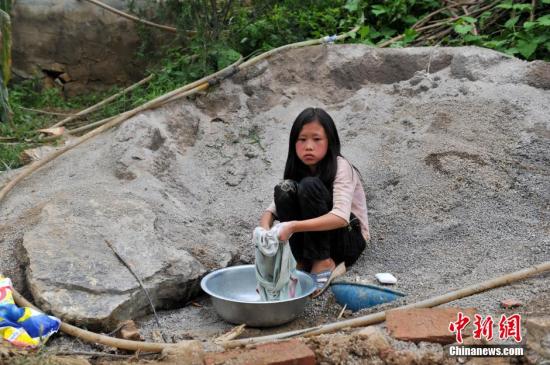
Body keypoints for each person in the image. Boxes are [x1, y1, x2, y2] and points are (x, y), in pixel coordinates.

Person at [259, 107, 370, 296]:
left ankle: (322, 261)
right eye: (302, 140)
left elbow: (341, 217)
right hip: (316, 238)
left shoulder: (340, 167)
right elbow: (273, 210)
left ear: (329, 142)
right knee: (284, 189)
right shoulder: (299, 169)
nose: (308, 146)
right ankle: (300, 260)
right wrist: (263, 230)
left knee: (309, 186)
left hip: (348, 239)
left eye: (317, 139)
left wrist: (293, 226)